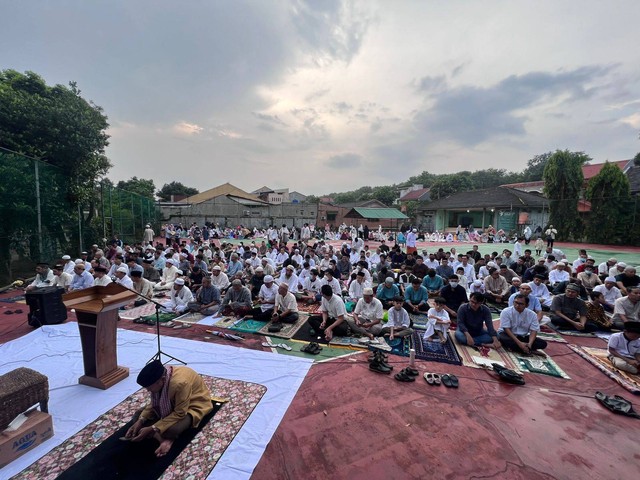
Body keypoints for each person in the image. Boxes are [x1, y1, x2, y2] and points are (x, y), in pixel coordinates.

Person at [126, 361, 214, 457]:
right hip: (174, 403)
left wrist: (153, 428)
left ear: (161, 380)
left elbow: (180, 413)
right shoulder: (162, 378)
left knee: (170, 430)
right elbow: (154, 401)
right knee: (138, 416)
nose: (148, 390)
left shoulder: (180, 383)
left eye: (149, 387)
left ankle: (166, 438)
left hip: (193, 405)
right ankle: (160, 437)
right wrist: (140, 420)